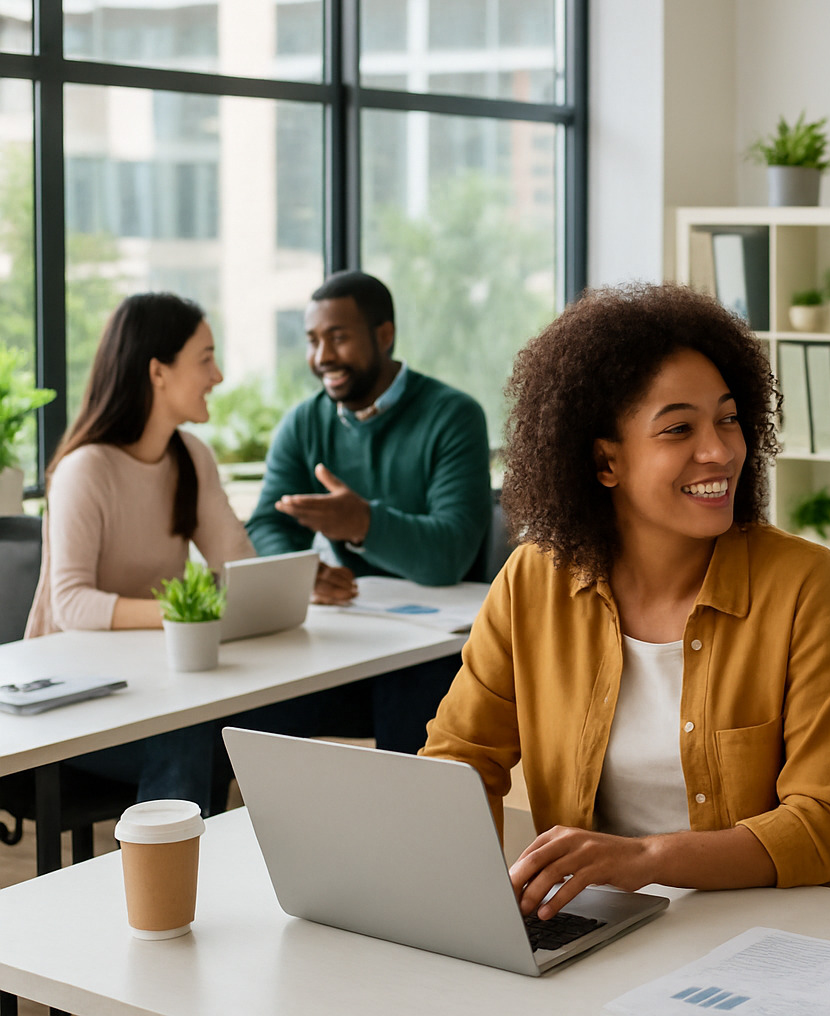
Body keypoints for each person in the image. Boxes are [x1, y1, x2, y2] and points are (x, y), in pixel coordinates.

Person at [421, 283, 830, 919]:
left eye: (727, 418)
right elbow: (459, 761)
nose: (720, 450)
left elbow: (826, 824)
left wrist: (644, 860)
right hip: (605, 926)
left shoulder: (804, 585)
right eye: (678, 429)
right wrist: (470, 905)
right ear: (605, 462)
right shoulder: (533, 581)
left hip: (785, 930)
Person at [239, 271, 491, 753]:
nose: (322, 357)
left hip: (436, 653)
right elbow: (268, 522)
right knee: (236, 709)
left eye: (338, 337)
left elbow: (449, 555)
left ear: (384, 335)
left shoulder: (453, 415)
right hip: (349, 641)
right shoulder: (305, 422)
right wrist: (302, 572)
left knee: (409, 706)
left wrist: (362, 523)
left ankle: (405, 829)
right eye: (313, 340)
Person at [25, 292, 253, 812]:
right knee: (190, 737)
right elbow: (72, 604)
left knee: (243, 729)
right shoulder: (86, 469)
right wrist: (193, 615)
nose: (217, 375)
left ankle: (208, 880)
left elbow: (240, 566)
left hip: (153, 689)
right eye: (205, 358)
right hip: (71, 704)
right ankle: (164, 892)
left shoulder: (192, 457)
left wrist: (291, 583)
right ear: (158, 372)